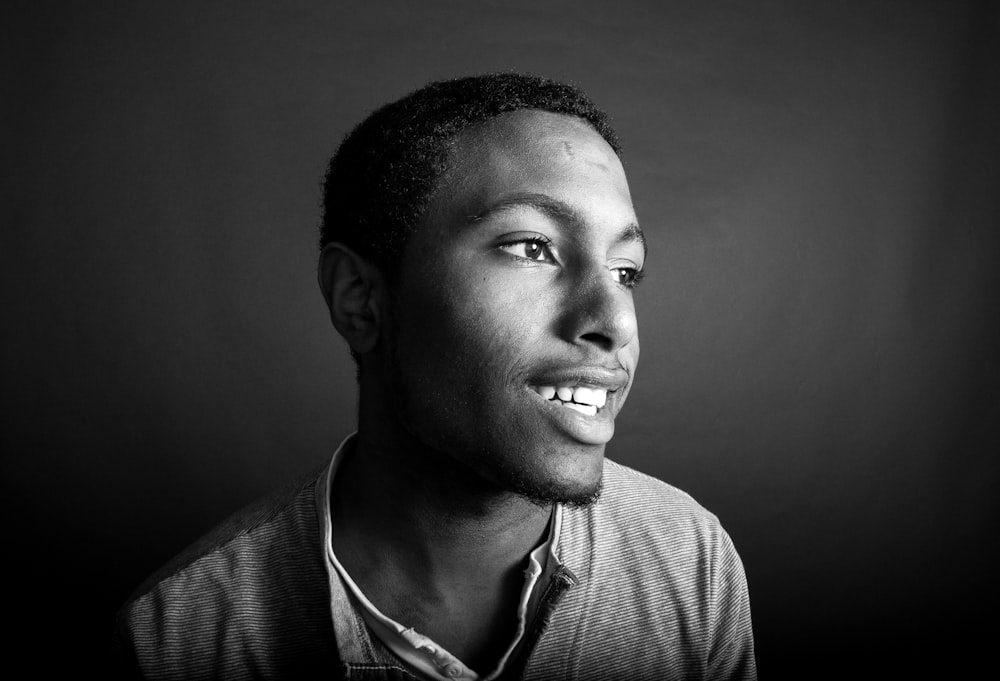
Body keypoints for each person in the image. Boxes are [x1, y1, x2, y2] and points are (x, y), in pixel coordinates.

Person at [113, 72, 757, 680]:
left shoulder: (689, 559)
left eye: (626, 271)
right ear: (360, 300)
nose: (612, 321)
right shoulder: (176, 639)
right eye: (532, 247)